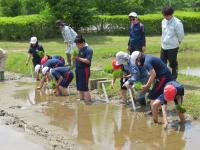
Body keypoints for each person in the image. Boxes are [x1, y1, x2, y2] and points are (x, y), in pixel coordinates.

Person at [161, 6, 184, 80]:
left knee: (172, 62)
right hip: (164, 46)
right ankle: (163, 78)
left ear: (171, 14)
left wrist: (178, 42)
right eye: (164, 15)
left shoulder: (177, 23)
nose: (166, 17)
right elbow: (163, 33)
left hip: (173, 46)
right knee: (162, 63)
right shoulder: (163, 21)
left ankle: (174, 77)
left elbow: (181, 35)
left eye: (167, 15)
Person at [73, 35, 93, 103]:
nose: (77, 46)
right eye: (76, 44)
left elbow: (88, 61)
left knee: (84, 86)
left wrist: (78, 58)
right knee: (79, 85)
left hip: (85, 70)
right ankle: (81, 99)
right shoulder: (79, 49)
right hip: (78, 69)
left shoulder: (89, 50)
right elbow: (77, 59)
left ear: (83, 43)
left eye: (78, 44)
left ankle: (88, 101)